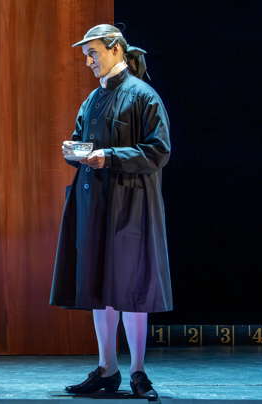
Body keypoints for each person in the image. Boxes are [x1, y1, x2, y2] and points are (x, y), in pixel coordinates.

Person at [50, 24, 172, 400]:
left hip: (130, 205)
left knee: (131, 288)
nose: (89, 61)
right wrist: (78, 150)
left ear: (116, 49)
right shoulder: (92, 99)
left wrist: (109, 157)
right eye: (86, 55)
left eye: (93, 53)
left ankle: (137, 371)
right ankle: (107, 368)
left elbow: (158, 150)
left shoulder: (142, 96)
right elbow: (85, 139)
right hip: (95, 203)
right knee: (99, 286)